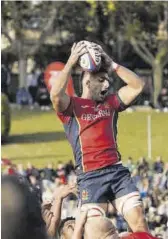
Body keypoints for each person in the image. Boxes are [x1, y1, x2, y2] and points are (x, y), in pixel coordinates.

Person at [50, 41, 150, 238]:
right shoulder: (72, 107)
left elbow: (138, 86)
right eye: (101, 80)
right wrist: (71, 62)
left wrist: (111, 64)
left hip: (116, 172)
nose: (107, 84)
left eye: (107, 80)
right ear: (88, 82)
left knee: (139, 222)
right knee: (97, 233)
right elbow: (55, 95)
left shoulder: (110, 103)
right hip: (90, 179)